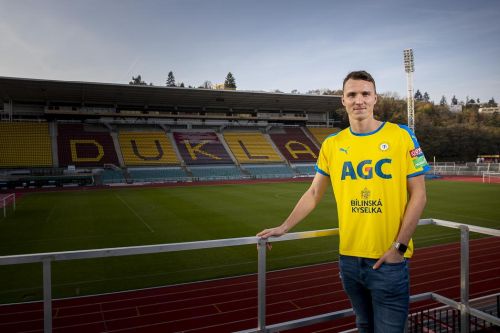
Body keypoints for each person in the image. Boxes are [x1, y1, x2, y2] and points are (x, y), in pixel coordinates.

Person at [257, 70, 429, 333]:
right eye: (352, 94)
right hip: (348, 260)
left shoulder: (402, 135)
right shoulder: (332, 144)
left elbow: (419, 194)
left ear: (375, 98)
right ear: (343, 100)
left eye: (365, 94)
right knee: (363, 326)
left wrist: (399, 247)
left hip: (389, 259)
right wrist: (284, 226)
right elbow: (314, 193)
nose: (359, 100)